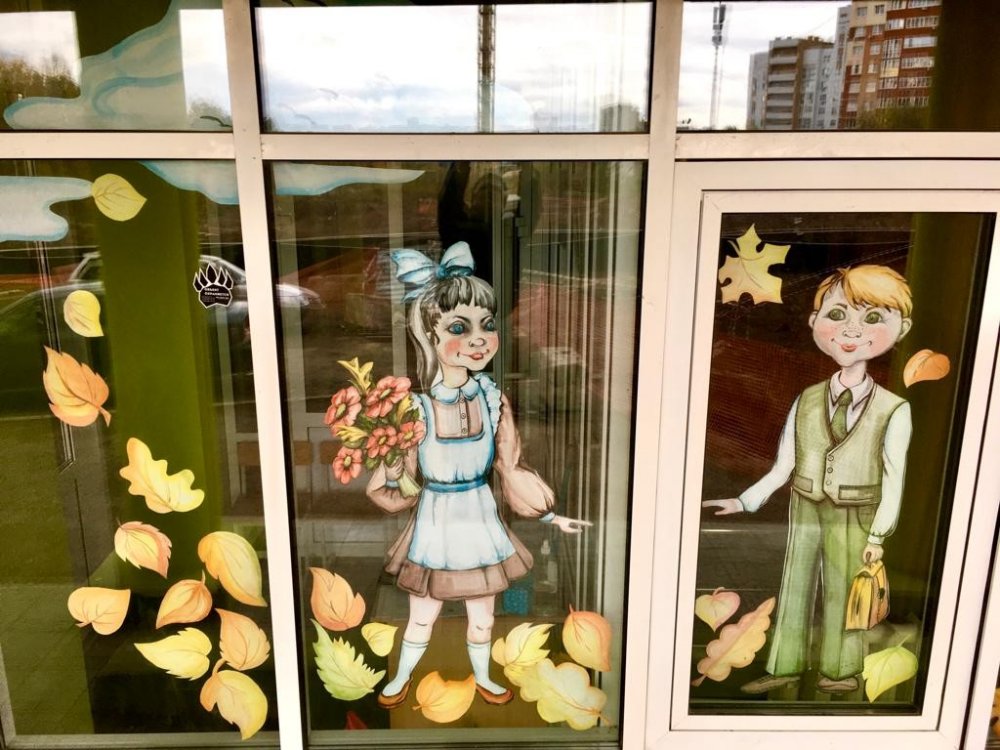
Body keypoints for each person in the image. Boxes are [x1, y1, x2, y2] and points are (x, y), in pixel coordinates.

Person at [366, 241, 589, 709]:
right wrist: (393, 463)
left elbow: (510, 466)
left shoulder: (492, 400)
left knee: (483, 616)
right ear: (429, 333)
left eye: (488, 325)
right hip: (436, 524)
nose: (480, 338)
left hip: (481, 521)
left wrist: (549, 517)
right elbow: (395, 484)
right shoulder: (415, 408)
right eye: (459, 328)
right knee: (422, 615)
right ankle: (401, 677)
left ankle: (485, 677)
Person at [703, 265, 913, 694]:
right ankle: (784, 664)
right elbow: (784, 465)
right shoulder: (807, 399)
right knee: (795, 583)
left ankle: (841, 670)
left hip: (857, 510)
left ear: (902, 329)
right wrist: (744, 501)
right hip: (806, 501)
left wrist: (878, 535)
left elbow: (894, 479)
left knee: (845, 589)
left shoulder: (894, 409)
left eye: (873, 318)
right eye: (837, 315)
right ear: (815, 322)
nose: (852, 330)